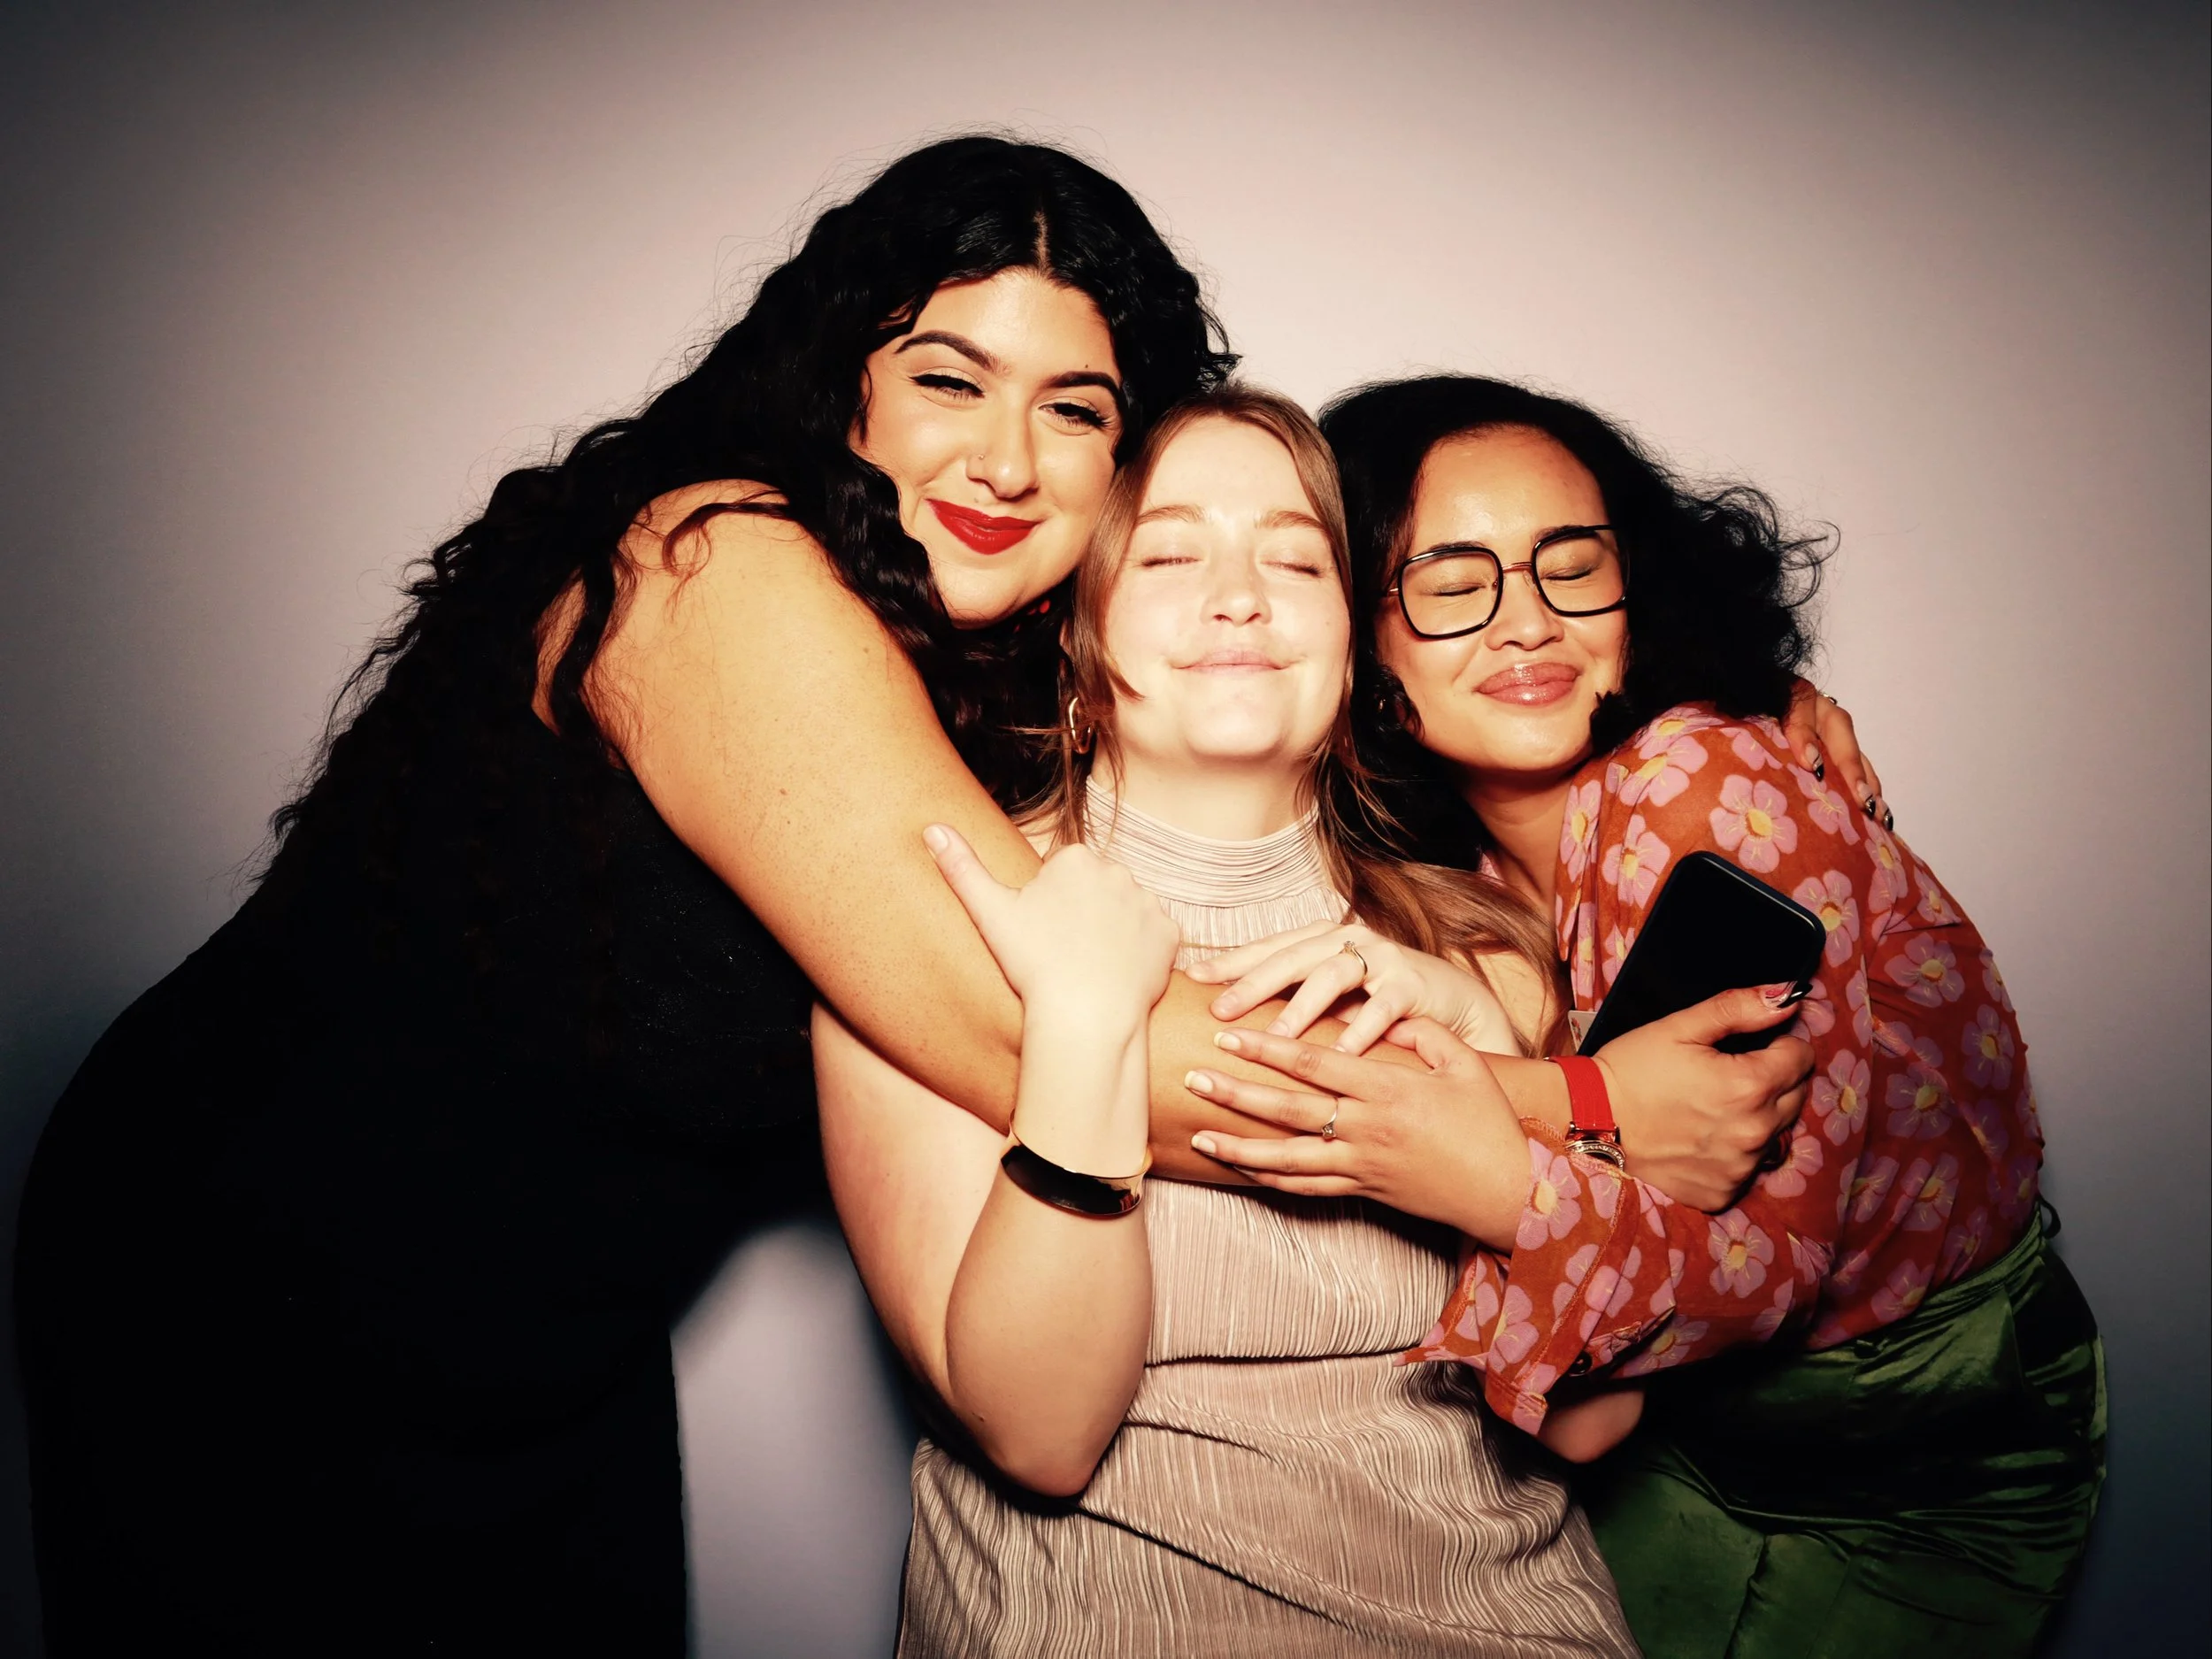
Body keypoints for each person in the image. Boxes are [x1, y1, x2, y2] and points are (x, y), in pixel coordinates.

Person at [15, 129, 1863, 1650]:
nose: (1003, 457)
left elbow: (1398, 649)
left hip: (544, 1331)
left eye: (1075, 411)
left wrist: (1729, 719)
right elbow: (1037, 1028)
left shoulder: (977, 701)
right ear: (837, 387)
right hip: (259, 1270)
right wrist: (1581, 1109)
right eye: (945, 377)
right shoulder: (715, 566)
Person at [1187, 374, 2106, 1656]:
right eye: (1453, 583)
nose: (1528, 624)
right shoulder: (1451, 881)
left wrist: (1502, 1123)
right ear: (1365, 642)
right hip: (1683, 1434)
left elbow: (1759, 1258)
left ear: (1636, 600)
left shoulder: (1706, 781)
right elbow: (1583, 1417)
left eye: (1573, 567)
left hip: (1919, 1460)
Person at [820, 384, 1654, 1655]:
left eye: (1294, 555)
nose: (1239, 594)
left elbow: (1596, 1425)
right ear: (1079, 633)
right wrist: (1090, 1015)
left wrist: (1494, 1103)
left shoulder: (1487, 948)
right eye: (1169, 551)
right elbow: (1043, 1436)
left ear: (1352, 639)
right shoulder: (940, 922)